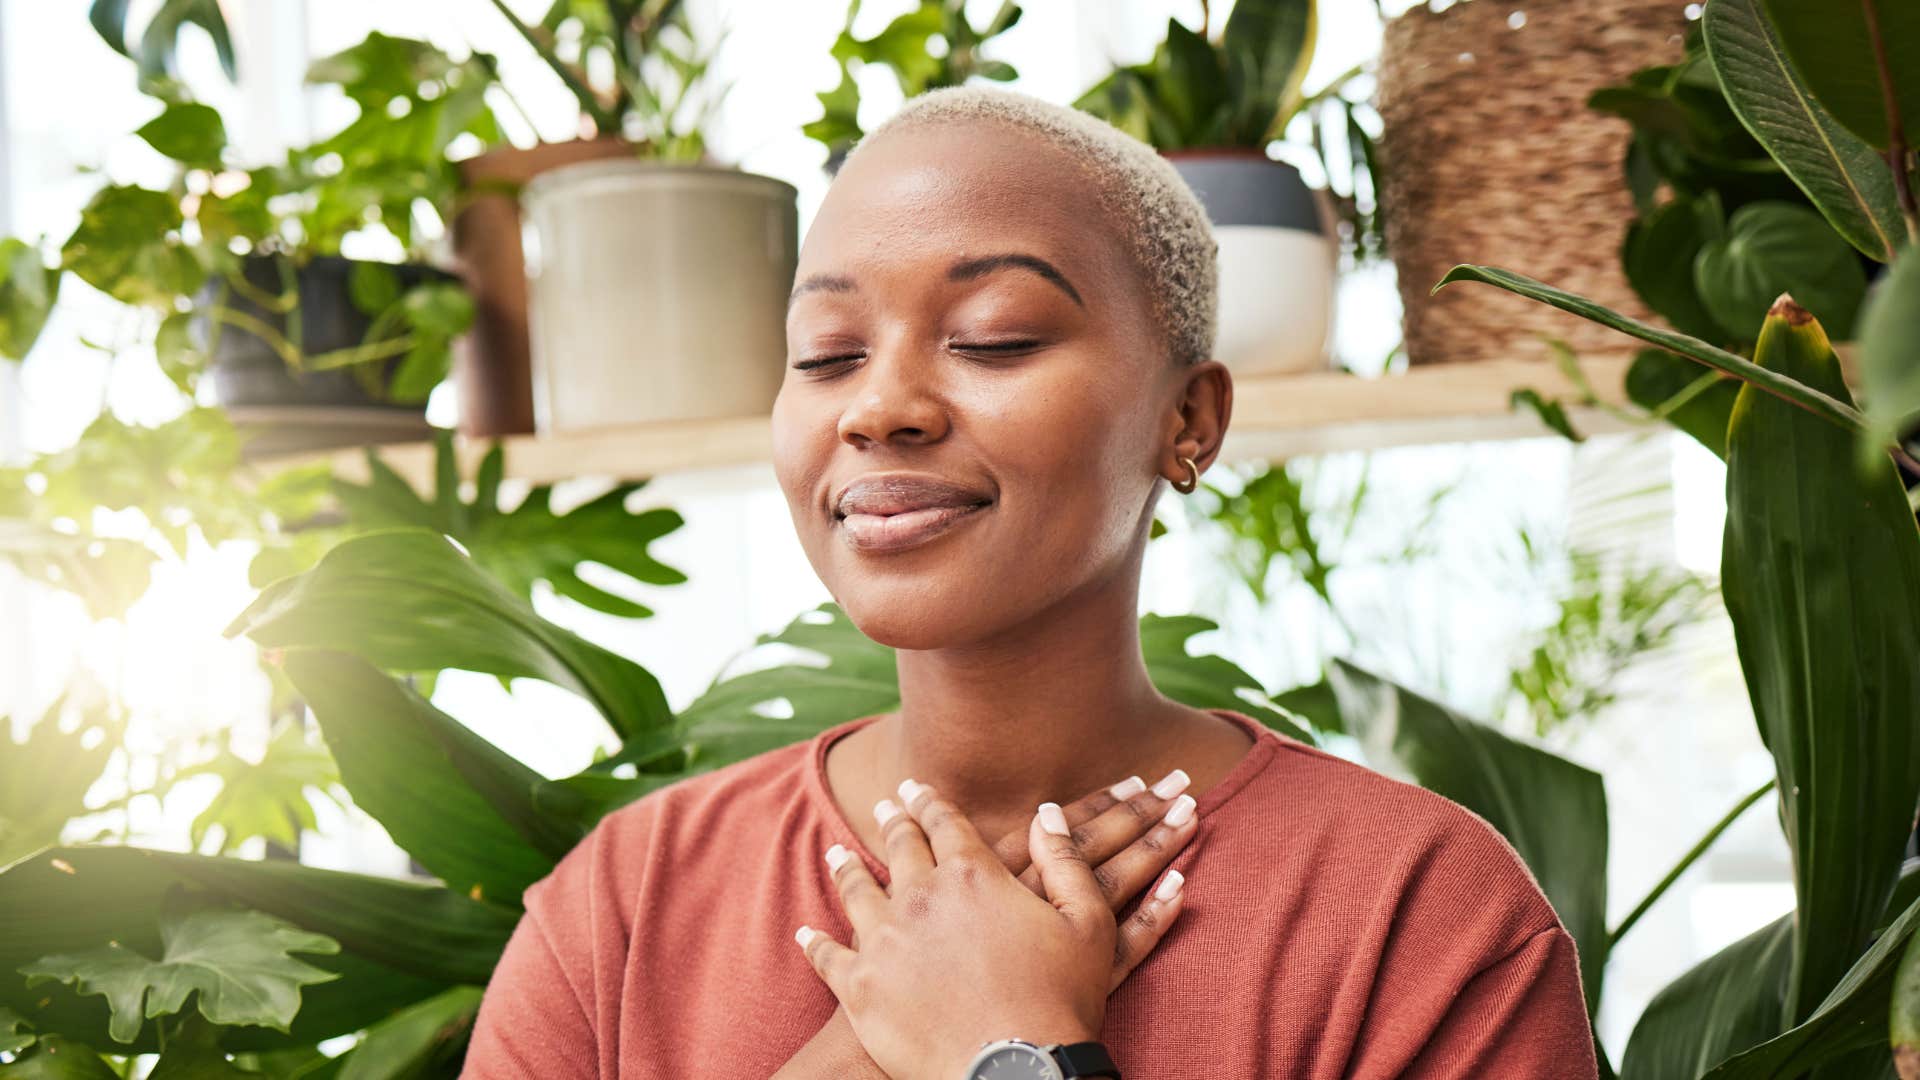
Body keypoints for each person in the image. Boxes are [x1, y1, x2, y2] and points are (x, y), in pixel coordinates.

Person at [463, 85, 1599, 1080]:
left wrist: (1010, 1050)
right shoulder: (624, 903)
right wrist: (872, 1049)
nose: (877, 406)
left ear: (1187, 419)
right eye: (826, 353)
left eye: (995, 338)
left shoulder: (1421, 917)